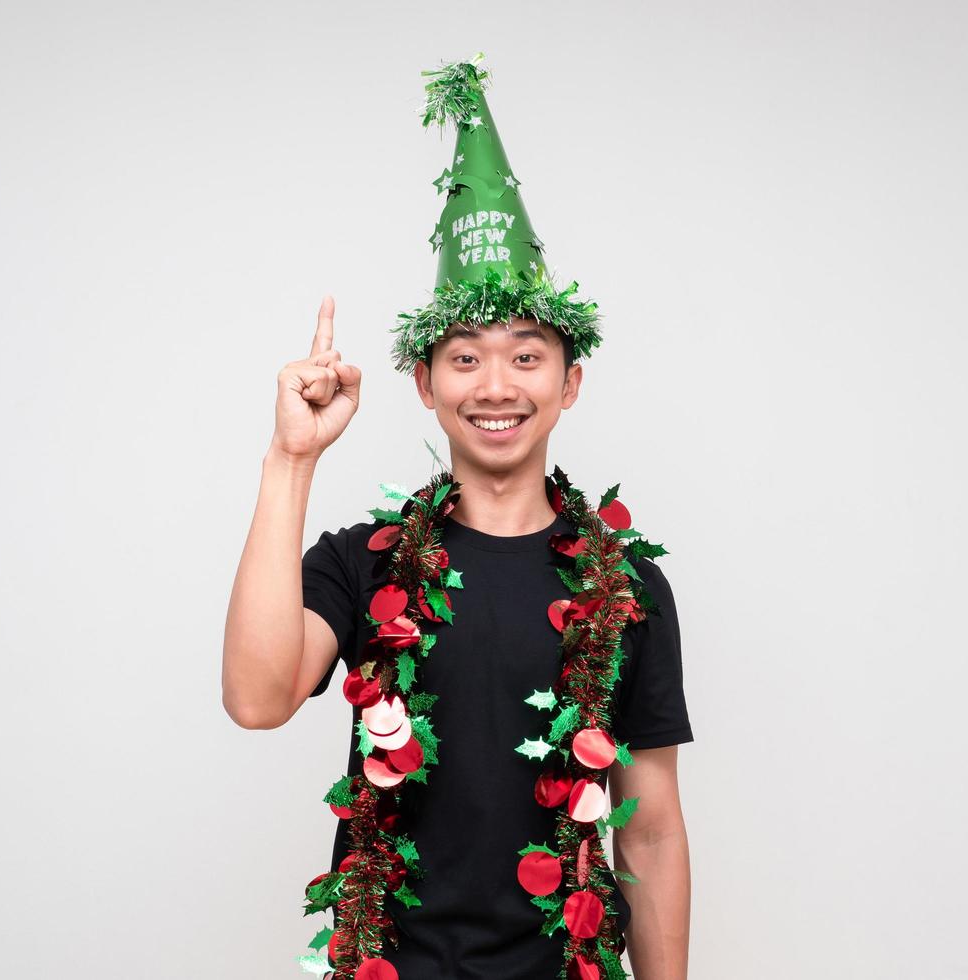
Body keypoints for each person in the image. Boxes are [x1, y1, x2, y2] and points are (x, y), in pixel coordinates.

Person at [223, 56, 693, 980]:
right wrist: (291, 461)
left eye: (526, 357)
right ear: (425, 384)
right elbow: (255, 699)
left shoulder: (629, 587)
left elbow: (652, 833)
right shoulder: (360, 565)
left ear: (569, 383)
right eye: (466, 359)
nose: (496, 386)